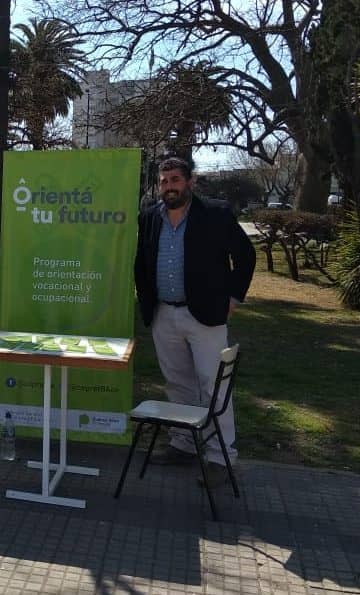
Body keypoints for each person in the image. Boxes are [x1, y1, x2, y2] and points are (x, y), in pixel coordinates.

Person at [134, 157, 256, 485]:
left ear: (190, 182)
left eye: (175, 179)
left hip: (206, 316)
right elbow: (141, 262)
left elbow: (245, 255)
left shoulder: (215, 214)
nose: (169, 186)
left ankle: (220, 458)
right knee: (177, 382)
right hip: (164, 314)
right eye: (163, 181)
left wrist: (233, 298)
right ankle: (184, 444)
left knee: (214, 386)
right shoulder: (149, 218)